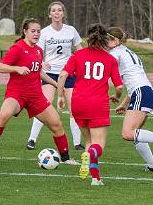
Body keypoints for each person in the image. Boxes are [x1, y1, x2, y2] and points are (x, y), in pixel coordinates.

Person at [0, 18, 77, 165]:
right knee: (5, 114)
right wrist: (16, 68)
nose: (36, 34)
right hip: (17, 93)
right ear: (25, 31)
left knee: (56, 124)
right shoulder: (17, 48)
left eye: (38, 31)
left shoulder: (38, 50)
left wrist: (57, 85)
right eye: (33, 31)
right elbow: (0, 67)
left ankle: (65, 159)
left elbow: (38, 72)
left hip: (35, 95)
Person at [57, 23, 123, 186]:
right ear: (104, 38)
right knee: (98, 144)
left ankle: (95, 178)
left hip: (78, 103)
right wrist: (116, 96)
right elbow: (119, 86)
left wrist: (60, 96)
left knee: (88, 141)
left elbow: (62, 75)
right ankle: (89, 156)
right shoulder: (110, 59)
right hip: (97, 105)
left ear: (88, 37)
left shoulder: (77, 55)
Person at [107, 27, 153, 173]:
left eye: (106, 39)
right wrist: (124, 103)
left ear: (115, 40)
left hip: (141, 92)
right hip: (147, 92)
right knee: (136, 132)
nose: (104, 42)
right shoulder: (128, 52)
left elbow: (107, 75)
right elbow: (134, 81)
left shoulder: (115, 54)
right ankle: (152, 166)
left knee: (128, 133)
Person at [26, 1, 84, 150]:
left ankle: (77, 143)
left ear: (63, 13)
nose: (57, 13)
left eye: (59, 10)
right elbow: (37, 51)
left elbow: (80, 50)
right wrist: (43, 62)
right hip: (50, 73)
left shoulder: (71, 30)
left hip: (68, 72)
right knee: (44, 104)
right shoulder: (44, 32)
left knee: (74, 108)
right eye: (54, 10)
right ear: (49, 14)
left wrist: (80, 64)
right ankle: (32, 139)